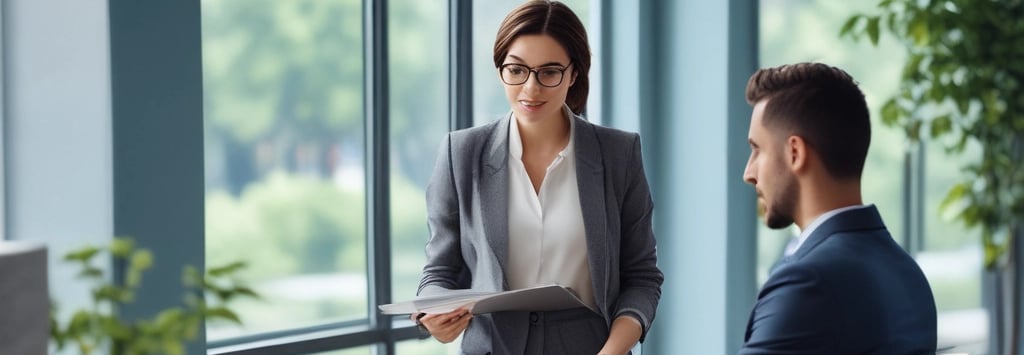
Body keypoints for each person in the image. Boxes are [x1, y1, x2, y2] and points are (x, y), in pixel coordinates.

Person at [413, 1, 663, 354]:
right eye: (516, 70)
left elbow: (641, 276)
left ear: (574, 73)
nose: (530, 88)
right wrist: (437, 316)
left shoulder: (618, 154)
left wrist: (612, 351)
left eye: (549, 72)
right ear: (501, 68)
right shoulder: (462, 152)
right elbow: (439, 270)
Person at [738, 62, 937, 354]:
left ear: (795, 153)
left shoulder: (807, 283)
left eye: (757, 150)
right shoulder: (907, 273)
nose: (749, 172)